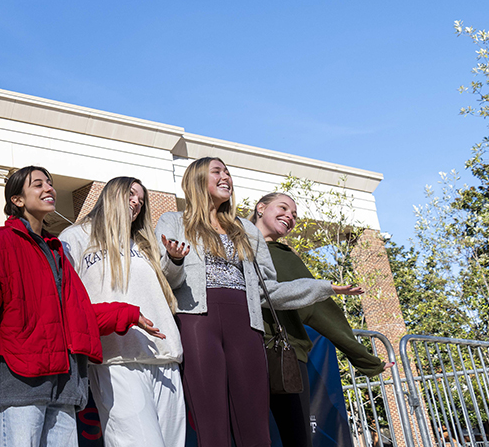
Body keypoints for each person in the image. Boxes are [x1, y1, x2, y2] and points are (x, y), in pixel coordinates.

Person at [0, 166, 164, 447]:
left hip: (65, 386)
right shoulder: (0, 242)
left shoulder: (58, 251)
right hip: (20, 381)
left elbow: (78, 317)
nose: (49, 188)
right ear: (17, 200)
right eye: (37, 184)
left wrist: (127, 314)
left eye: (50, 183)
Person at [155, 157, 365, 447]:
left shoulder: (246, 229)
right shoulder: (172, 221)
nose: (225, 176)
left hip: (246, 324)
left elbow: (270, 290)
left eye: (227, 172)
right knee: (211, 424)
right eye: (217, 171)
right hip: (197, 322)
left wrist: (323, 287)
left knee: (254, 425)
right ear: (198, 179)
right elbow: (166, 278)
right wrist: (175, 259)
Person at [251, 192, 387, 447]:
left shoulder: (286, 257)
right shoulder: (231, 244)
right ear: (261, 208)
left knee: (297, 438)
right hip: (241, 351)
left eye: (294, 215)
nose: (289, 217)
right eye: (283, 208)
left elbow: (322, 311)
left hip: (284, 356)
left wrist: (365, 359)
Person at [59, 177, 186, 447]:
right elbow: (64, 294)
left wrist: (174, 261)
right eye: (130, 194)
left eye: (141, 199)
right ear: (110, 195)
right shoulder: (76, 236)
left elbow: (167, 286)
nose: (136, 202)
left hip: (165, 356)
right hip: (116, 357)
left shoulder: (144, 242)